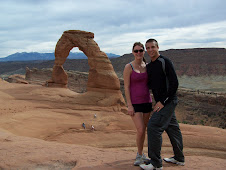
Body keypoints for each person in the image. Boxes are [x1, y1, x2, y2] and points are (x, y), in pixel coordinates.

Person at [140, 39, 185, 170]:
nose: (150, 50)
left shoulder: (165, 62)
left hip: (168, 101)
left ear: (158, 47)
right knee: (172, 128)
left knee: (154, 126)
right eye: (147, 48)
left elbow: (174, 84)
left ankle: (155, 163)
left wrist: (162, 101)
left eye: (152, 47)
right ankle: (179, 158)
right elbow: (150, 84)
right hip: (163, 102)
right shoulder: (149, 66)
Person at [123, 42, 153, 166]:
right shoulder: (128, 67)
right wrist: (129, 105)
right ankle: (139, 155)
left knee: (144, 130)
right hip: (135, 103)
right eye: (136, 51)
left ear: (143, 52)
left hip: (147, 102)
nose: (138, 53)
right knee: (140, 130)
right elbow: (126, 87)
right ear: (133, 52)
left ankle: (141, 154)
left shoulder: (147, 66)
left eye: (141, 50)